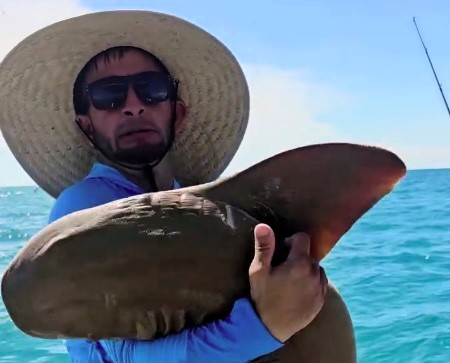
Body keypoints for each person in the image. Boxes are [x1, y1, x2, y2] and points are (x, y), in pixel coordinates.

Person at [0, 10, 328, 363]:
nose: (133, 106)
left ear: (179, 113)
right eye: (109, 95)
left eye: (151, 90)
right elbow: (121, 355)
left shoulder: (206, 208)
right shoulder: (84, 204)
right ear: (87, 126)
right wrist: (264, 327)